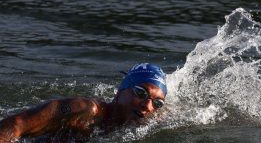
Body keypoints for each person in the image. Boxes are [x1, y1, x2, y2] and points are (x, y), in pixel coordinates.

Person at [0, 63, 167, 142]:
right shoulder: (85, 110)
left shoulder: (148, 121)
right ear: (120, 91)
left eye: (157, 103)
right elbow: (17, 124)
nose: (147, 105)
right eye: (141, 93)